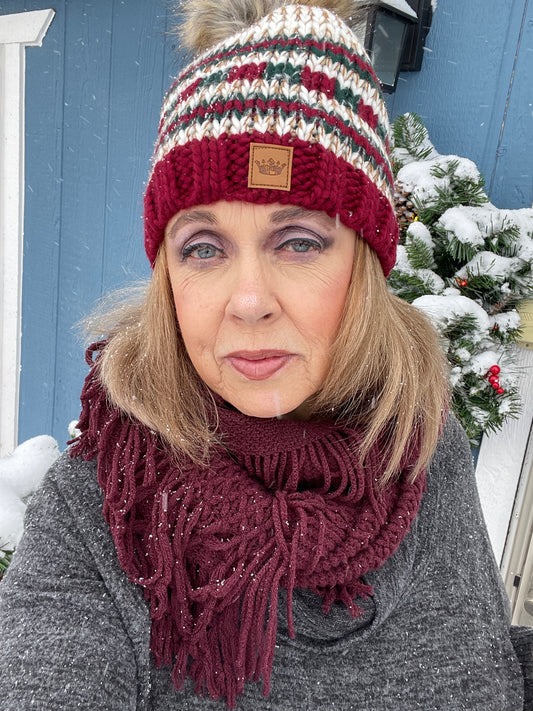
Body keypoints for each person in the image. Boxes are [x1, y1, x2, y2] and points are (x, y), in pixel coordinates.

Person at [0, 1, 531, 709]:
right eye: (204, 248)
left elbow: (479, 660)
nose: (248, 301)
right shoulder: (100, 508)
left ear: (365, 267)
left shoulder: (420, 451)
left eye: (298, 242)